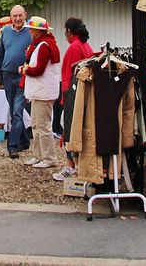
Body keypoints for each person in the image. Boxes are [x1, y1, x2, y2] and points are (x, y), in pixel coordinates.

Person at [53, 17, 95, 181]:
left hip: (73, 92)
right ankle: (78, 165)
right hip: (83, 93)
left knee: (69, 129)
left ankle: (71, 165)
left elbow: (69, 76)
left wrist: (64, 96)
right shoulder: (86, 46)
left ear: (69, 31)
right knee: (80, 129)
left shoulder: (74, 48)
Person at [0, 4, 31, 159]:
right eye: (14, 16)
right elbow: (0, 54)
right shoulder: (6, 31)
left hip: (24, 77)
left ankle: (12, 146)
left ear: (25, 15)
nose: (17, 18)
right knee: (14, 110)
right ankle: (25, 140)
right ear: (10, 17)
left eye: (20, 15)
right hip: (7, 76)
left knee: (17, 110)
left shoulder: (30, 32)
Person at [20, 17, 60, 170]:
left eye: (31, 29)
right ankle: (38, 155)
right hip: (40, 91)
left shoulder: (43, 46)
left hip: (43, 91)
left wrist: (25, 69)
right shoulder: (42, 44)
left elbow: (38, 69)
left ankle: (49, 158)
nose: (29, 31)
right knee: (36, 125)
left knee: (43, 126)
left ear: (38, 31)